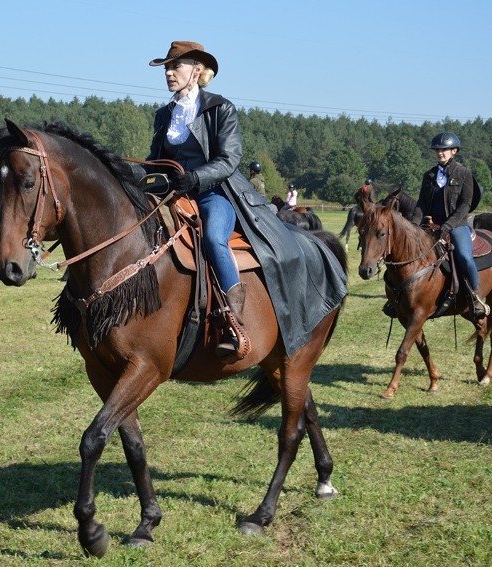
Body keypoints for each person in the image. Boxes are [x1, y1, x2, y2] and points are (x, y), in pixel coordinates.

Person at [142, 40, 347, 362]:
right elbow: (155, 158)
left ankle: (232, 318)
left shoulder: (220, 108)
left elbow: (229, 159)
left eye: (175, 66)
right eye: (166, 67)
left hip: (216, 192)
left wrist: (196, 178)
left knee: (213, 238)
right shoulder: (164, 114)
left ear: (196, 70)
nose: (169, 72)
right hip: (175, 195)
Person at [410, 131, 489, 319]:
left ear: (454, 151)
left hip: (456, 225)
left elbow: (465, 204)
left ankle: (475, 295)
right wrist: (413, 225)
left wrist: (448, 225)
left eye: (444, 149)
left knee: (464, 256)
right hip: (430, 224)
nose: (440, 152)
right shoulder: (428, 176)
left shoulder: (464, 174)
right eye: (437, 149)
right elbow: (421, 203)